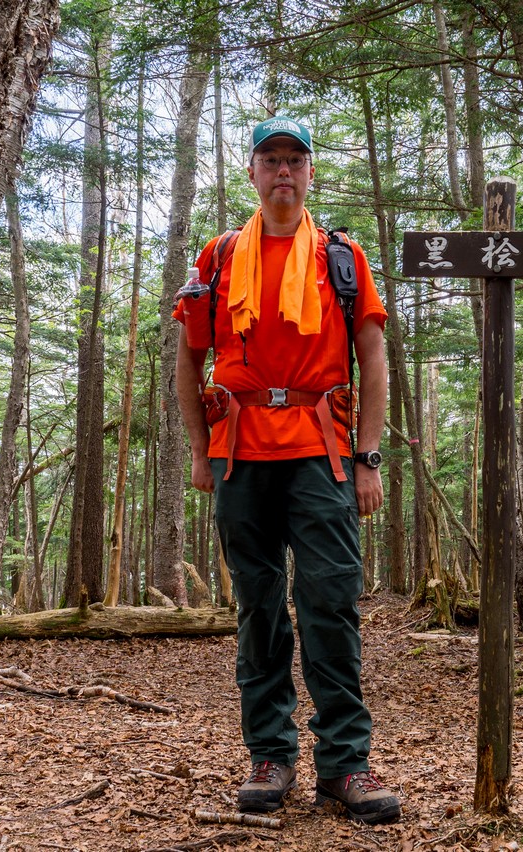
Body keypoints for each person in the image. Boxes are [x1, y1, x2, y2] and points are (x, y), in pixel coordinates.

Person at [174, 116, 400, 825]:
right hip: (241, 452)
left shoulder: (342, 256)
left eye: (294, 161)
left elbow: (373, 357)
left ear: (310, 174)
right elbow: (187, 357)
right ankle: (269, 755)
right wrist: (198, 449)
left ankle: (345, 764)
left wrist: (368, 457)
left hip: (322, 452)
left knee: (330, 602)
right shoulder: (218, 257)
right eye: (270, 159)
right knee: (259, 608)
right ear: (251, 172)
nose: (283, 172)